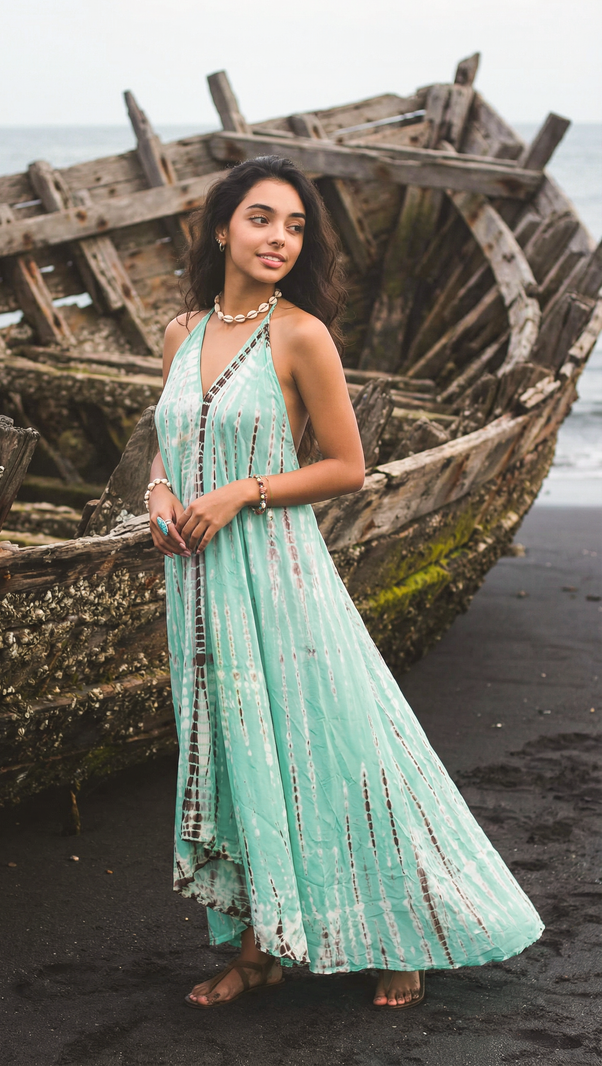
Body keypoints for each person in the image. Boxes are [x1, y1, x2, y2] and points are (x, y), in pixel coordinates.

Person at [146, 155, 543, 1010]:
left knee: (336, 743)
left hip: (280, 576)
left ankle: (405, 932)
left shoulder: (300, 335)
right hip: (200, 584)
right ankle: (259, 949)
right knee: (234, 749)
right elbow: (172, 433)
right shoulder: (182, 331)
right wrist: (162, 491)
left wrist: (238, 492)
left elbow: (348, 467)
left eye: (295, 227)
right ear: (221, 227)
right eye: (261, 219)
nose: (278, 238)